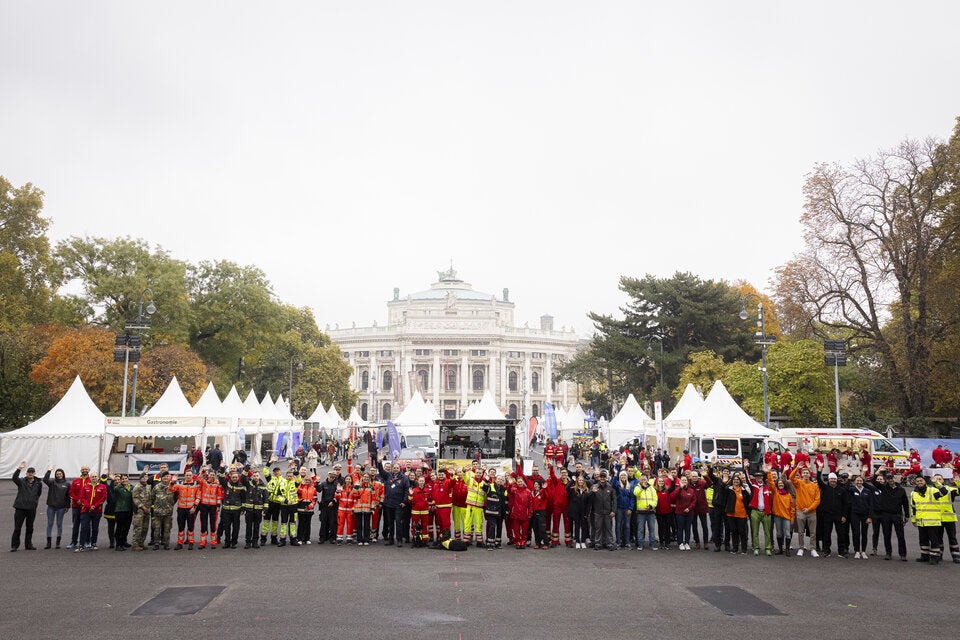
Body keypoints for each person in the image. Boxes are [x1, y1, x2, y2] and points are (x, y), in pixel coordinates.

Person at [870, 471, 909, 561]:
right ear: (886, 480)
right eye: (888, 478)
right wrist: (877, 472)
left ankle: (903, 554)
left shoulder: (901, 490)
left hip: (897, 515)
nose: (890, 480)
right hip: (886, 515)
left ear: (894, 478)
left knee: (900, 535)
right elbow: (873, 481)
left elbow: (905, 503)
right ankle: (888, 553)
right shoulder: (883, 488)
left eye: (891, 478)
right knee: (887, 535)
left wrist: (907, 515)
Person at [911, 475, 947, 564]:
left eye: (921, 481)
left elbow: (944, 492)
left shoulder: (933, 490)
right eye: (918, 481)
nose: (919, 482)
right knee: (923, 539)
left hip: (932, 521)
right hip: (921, 521)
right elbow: (913, 508)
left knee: (934, 540)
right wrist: (914, 520)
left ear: (925, 481)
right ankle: (924, 556)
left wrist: (936, 482)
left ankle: (935, 557)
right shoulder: (913, 493)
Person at [816, 468, 850, 558]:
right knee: (827, 533)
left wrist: (844, 516)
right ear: (829, 479)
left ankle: (841, 551)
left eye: (834, 479)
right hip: (827, 515)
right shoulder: (825, 488)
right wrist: (819, 470)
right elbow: (818, 479)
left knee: (841, 534)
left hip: (839, 515)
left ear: (836, 480)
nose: (833, 481)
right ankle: (826, 551)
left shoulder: (842, 490)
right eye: (831, 479)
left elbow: (845, 504)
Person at [789, 464, 820, 557]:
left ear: (810, 474)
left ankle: (813, 549)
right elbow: (791, 477)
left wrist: (809, 508)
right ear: (802, 474)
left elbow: (817, 500)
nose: (806, 474)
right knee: (801, 532)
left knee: (813, 532)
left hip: (812, 512)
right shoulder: (798, 483)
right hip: (800, 511)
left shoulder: (814, 486)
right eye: (804, 473)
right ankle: (801, 548)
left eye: (807, 473)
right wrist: (797, 468)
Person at [11, 462, 43, 552]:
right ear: (26, 473)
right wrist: (19, 469)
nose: (30, 473)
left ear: (34, 473)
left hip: (31, 508)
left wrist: (34, 501)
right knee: (17, 527)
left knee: (30, 527)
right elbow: (14, 478)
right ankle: (14, 545)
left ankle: (28, 545)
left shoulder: (38, 483)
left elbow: (38, 494)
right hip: (20, 508)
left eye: (32, 472)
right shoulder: (21, 481)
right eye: (29, 472)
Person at [169, 469, 201, 550]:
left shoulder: (196, 484)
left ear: (192, 475)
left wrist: (194, 507)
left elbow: (198, 497)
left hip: (191, 509)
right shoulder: (179, 483)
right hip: (181, 509)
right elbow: (171, 489)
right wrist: (172, 482)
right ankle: (179, 543)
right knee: (181, 527)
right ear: (184, 475)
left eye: (190, 475)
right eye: (187, 475)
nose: (188, 477)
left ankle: (191, 542)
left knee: (190, 527)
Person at [931, 474, 959, 564]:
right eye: (936, 479)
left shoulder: (949, 489)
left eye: (940, 479)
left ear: (943, 480)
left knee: (952, 538)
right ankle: (939, 555)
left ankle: (956, 556)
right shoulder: (931, 490)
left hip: (949, 518)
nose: (938, 480)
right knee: (938, 538)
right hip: (937, 518)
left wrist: (958, 482)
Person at [77, 472, 107, 552]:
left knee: (95, 528)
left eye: (95, 476)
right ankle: (81, 545)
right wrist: (89, 507)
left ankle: (93, 543)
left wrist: (95, 506)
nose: (94, 478)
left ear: (98, 478)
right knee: (84, 528)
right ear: (90, 478)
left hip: (97, 511)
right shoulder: (85, 487)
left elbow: (103, 498)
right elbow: (82, 498)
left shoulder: (102, 487)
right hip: (85, 510)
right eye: (92, 476)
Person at [847, 475, 875, 559]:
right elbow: (846, 487)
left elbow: (871, 505)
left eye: (860, 481)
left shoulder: (867, 491)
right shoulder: (852, 489)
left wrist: (870, 517)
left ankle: (863, 551)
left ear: (863, 482)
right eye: (857, 481)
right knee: (856, 533)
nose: (859, 482)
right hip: (855, 514)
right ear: (854, 482)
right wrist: (849, 478)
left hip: (865, 515)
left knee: (864, 533)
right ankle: (857, 551)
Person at [218, 465, 246, 549]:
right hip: (226, 510)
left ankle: (234, 542)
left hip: (236, 511)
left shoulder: (241, 487)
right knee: (227, 527)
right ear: (230, 477)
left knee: (236, 527)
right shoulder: (226, 485)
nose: (234, 478)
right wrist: (222, 468)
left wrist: (243, 509)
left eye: (236, 477)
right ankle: (227, 542)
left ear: (238, 477)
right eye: (233, 477)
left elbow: (243, 499)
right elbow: (221, 477)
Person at [768, 470, 796, 556]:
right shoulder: (776, 493)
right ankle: (780, 549)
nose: (780, 485)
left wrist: (792, 518)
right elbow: (771, 483)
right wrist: (768, 473)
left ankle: (787, 549)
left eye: (782, 484)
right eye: (779, 484)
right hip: (777, 517)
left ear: (784, 485)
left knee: (787, 533)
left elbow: (792, 509)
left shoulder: (788, 495)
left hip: (787, 517)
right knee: (779, 533)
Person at [42, 467, 70, 549]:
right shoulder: (52, 483)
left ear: (63, 474)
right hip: (51, 506)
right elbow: (45, 480)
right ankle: (48, 543)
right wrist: (49, 471)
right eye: (57, 474)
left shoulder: (67, 484)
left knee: (59, 524)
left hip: (61, 507)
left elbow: (68, 496)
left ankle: (58, 542)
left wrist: (68, 506)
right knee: (50, 523)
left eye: (60, 474)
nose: (59, 475)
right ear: (55, 475)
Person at [747, 470, 774, 556]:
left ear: (763, 477)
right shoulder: (753, 485)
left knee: (767, 532)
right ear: (755, 478)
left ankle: (768, 548)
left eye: (761, 476)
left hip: (766, 512)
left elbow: (770, 500)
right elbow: (747, 479)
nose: (759, 478)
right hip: (755, 511)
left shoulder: (767, 487)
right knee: (755, 532)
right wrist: (746, 468)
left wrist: (769, 510)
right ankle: (756, 548)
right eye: (757, 477)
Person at [724, 474, 751, 555]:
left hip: (742, 515)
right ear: (732, 481)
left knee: (742, 532)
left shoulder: (744, 490)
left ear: (740, 481)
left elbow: (748, 502)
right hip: (731, 514)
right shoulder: (728, 489)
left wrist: (748, 513)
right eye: (734, 480)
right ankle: (735, 548)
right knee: (734, 532)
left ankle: (744, 549)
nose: (736, 481)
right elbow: (723, 496)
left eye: (738, 480)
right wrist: (724, 483)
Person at [589, 469, 616, 551]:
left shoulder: (610, 487)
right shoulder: (594, 487)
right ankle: (598, 543)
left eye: (604, 477)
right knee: (598, 528)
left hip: (608, 512)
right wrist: (592, 492)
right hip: (598, 512)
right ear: (599, 478)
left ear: (606, 478)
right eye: (601, 477)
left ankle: (610, 544)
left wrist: (613, 511)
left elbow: (614, 500)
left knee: (608, 529)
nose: (602, 478)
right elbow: (588, 498)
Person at [241, 466, 267, 549]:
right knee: (249, 526)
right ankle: (248, 542)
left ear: (259, 476)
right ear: (252, 476)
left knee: (256, 527)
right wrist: (246, 468)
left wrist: (265, 509)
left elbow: (266, 499)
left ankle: (255, 542)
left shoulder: (263, 486)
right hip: (249, 510)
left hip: (258, 510)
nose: (255, 477)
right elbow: (242, 478)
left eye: (257, 476)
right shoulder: (249, 484)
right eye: (254, 476)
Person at [197, 468, 223, 549]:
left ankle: (213, 542)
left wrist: (218, 506)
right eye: (211, 474)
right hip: (204, 505)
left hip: (213, 506)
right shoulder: (204, 482)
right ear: (208, 475)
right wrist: (203, 471)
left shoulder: (217, 484)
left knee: (213, 524)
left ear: (215, 476)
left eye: (213, 475)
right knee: (203, 524)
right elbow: (199, 478)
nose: (212, 476)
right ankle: (202, 542)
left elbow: (219, 495)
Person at [66, 465, 91, 549]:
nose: (84, 470)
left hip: (86, 507)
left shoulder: (91, 480)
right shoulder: (76, 481)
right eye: (83, 469)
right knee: (75, 524)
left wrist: (85, 502)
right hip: (76, 506)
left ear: (89, 470)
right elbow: (71, 492)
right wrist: (77, 500)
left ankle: (87, 541)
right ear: (81, 470)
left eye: (86, 469)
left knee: (86, 525)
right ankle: (73, 542)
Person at [108, 473, 134, 551]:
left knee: (127, 527)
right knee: (120, 528)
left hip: (129, 510)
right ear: (120, 480)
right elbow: (112, 489)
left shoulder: (132, 487)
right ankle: (118, 545)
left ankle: (123, 542)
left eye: (126, 478)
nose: (124, 480)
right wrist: (113, 480)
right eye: (123, 479)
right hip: (120, 510)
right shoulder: (118, 488)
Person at [150, 473, 175, 550]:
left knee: (167, 529)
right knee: (156, 529)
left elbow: (176, 497)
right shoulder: (156, 487)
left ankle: (166, 544)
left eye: (167, 476)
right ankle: (156, 543)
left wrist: (171, 505)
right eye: (164, 477)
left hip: (168, 512)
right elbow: (152, 498)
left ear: (169, 478)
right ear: (161, 478)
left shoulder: (172, 487)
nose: (165, 478)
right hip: (158, 512)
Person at [671, 475, 697, 551]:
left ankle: (687, 543)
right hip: (680, 512)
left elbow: (694, 501)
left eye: (685, 480)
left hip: (689, 513)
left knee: (688, 528)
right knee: (680, 528)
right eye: (682, 480)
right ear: (680, 482)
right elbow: (674, 496)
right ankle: (680, 543)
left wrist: (689, 508)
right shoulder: (678, 489)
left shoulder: (691, 490)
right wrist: (680, 488)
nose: (684, 482)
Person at [507, 473, 532, 549]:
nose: (520, 483)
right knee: (516, 529)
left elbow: (530, 504)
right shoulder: (514, 490)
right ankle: (517, 541)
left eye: (521, 482)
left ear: (523, 482)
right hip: (516, 514)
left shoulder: (528, 491)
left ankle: (523, 541)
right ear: (516, 483)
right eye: (518, 482)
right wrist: (510, 484)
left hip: (525, 514)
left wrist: (530, 513)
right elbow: (509, 491)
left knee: (525, 530)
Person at [632, 474, 657, 551]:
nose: (643, 481)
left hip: (651, 511)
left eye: (645, 479)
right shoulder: (637, 487)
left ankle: (652, 544)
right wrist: (642, 487)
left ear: (647, 480)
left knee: (652, 529)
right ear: (639, 480)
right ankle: (640, 544)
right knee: (640, 529)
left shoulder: (651, 488)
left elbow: (655, 499)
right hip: (641, 512)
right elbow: (636, 493)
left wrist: (651, 506)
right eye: (642, 479)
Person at [483, 471, 506, 549]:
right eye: (498, 479)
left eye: (501, 480)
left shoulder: (503, 489)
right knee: (492, 527)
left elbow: (506, 500)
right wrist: (486, 480)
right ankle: (490, 543)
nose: (500, 481)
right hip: (492, 511)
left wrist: (506, 511)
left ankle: (497, 543)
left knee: (499, 528)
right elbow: (484, 488)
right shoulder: (491, 486)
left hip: (500, 512)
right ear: (495, 479)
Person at [130, 472, 152, 551]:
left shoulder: (148, 487)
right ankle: (135, 544)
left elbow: (150, 498)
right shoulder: (137, 487)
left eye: (146, 477)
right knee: (138, 528)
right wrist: (142, 507)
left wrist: (149, 508)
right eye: (143, 477)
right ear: (140, 478)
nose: (144, 478)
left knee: (145, 528)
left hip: (147, 510)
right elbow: (135, 499)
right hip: (139, 511)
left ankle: (141, 543)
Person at [568, 475, 591, 549]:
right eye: (579, 480)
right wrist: (572, 480)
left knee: (584, 527)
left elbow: (588, 503)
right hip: (576, 512)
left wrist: (587, 513)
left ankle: (583, 541)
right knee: (577, 527)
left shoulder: (586, 490)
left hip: (584, 512)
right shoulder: (573, 489)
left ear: (584, 482)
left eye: (582, 480)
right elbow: (566, 488)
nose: (580, 481)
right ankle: (577, 541)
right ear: (577, 481)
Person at [316, 470, 339, 544]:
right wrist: (317, 482)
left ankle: (332, 538)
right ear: (328, 476)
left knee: (332, 523)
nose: (332, 478)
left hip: (333, 506)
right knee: (323, 522)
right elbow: (318, 490)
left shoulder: (336, 485)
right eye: (330, 477)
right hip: (324, 506)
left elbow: (339, 495)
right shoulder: (323, 484)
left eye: (333, 477)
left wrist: (333, 502)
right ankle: (322, 537)